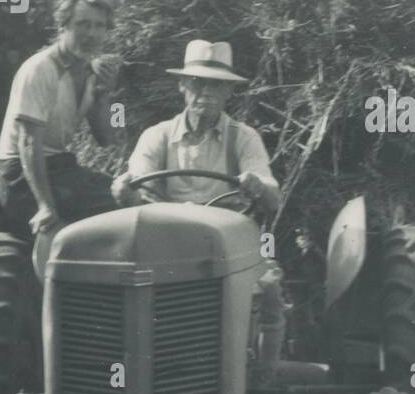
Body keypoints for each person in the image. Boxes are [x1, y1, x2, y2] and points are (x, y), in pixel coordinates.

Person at [110, 41, 289, 365]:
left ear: (228, 93)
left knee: (270, 290)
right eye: (197, 82)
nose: (205, 92)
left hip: (229, 249)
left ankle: (262, 383)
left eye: (216, 85)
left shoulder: (244, 138)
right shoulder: (157, 136)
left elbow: (273, 198)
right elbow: (137, 187)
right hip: (165, 245)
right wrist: (125, 191)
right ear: (182, 86)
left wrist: (257, 185)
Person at [0, 0, 121, 236]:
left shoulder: (91, 73)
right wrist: (45, 207)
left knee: (125, 193)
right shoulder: (40, 69)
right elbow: (28, 142)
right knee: (116, 205)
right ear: (62, 26)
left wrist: (105, 95)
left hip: (61, 169)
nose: (91, 34)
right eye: (83, 24)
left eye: (99, 26)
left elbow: (107, 139)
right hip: (20, 176)